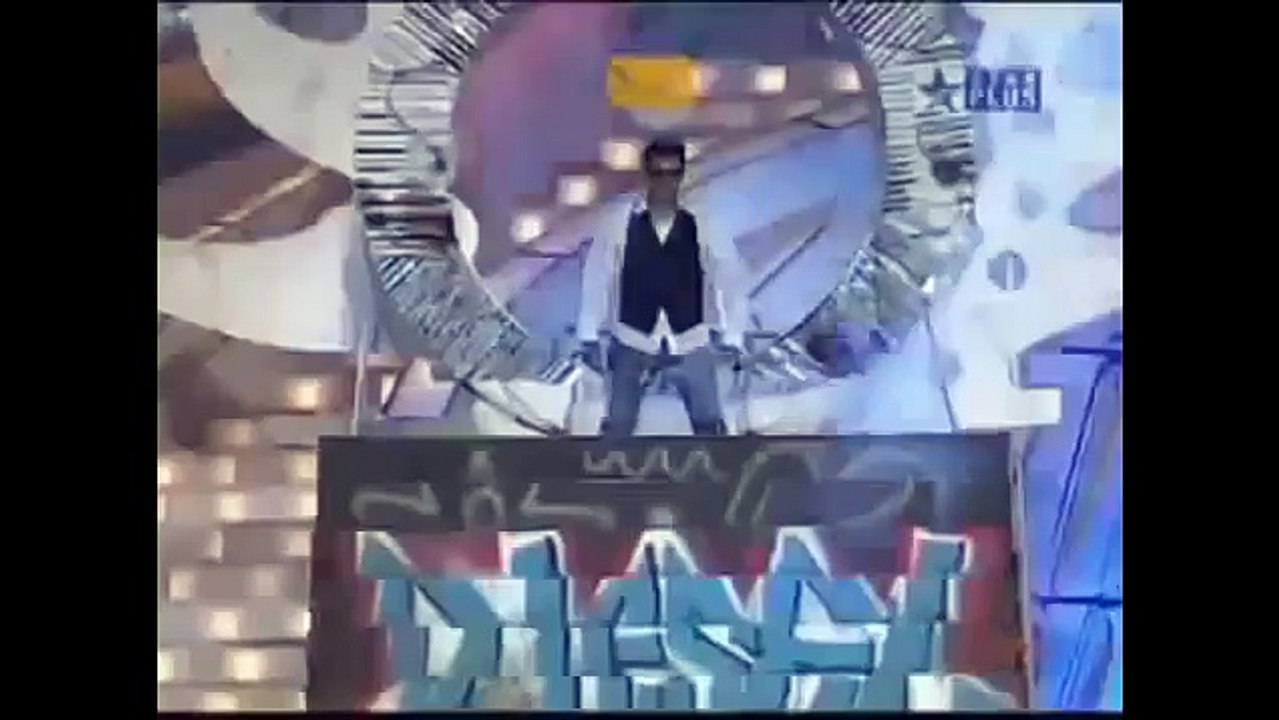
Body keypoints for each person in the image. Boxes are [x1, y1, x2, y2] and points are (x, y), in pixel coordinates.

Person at [576, 137, 749, 436]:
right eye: (658, 173)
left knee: (710, 428)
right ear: (646, 174)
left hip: (690, 340)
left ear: (682, 175)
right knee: (618, 429)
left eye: (673, 173)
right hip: (632, 340)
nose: (666, 182)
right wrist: (588, 334)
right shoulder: (620, 221)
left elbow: (731, 277)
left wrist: (733, 335)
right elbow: (598, 275)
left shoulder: (703, 222)